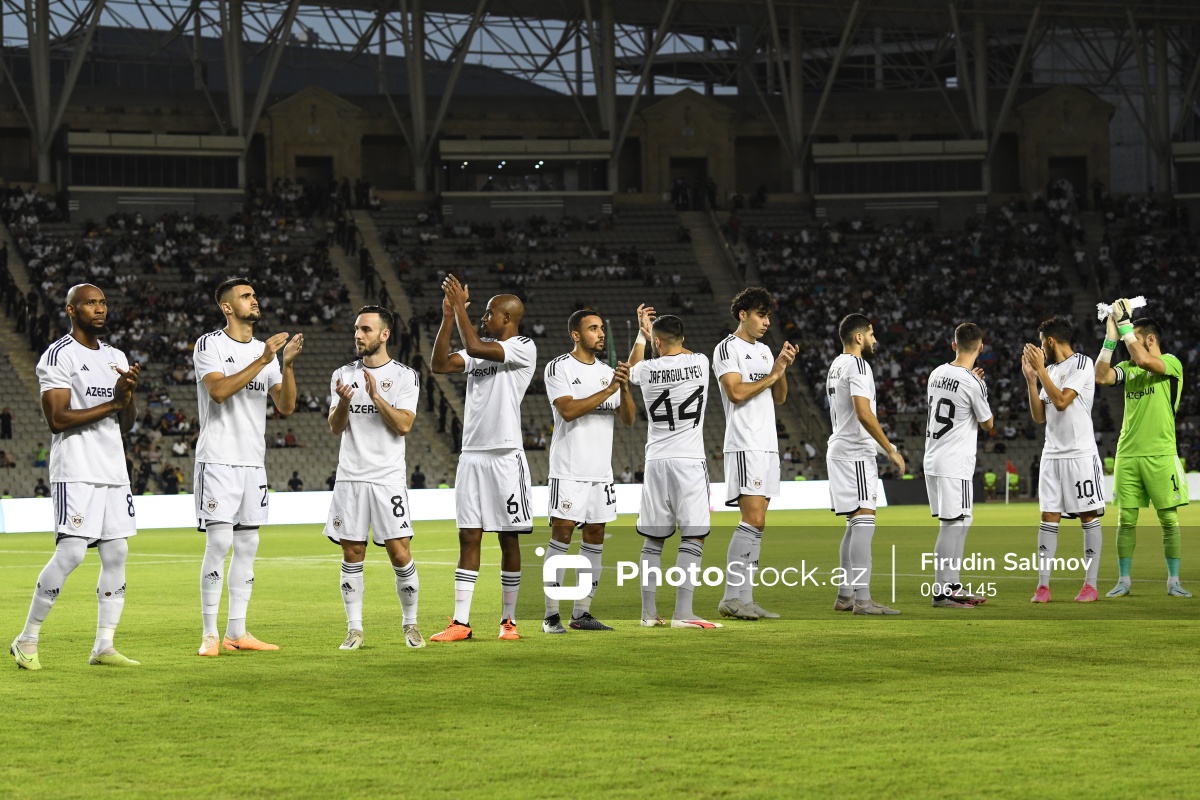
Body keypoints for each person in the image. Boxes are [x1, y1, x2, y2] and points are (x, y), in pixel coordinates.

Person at [11, 284, 141, 670]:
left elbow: (126, 423)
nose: (99, 309)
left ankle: (104, 645)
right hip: (77, 469)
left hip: (113, 470)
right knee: (70, 553)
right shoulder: (58, 355)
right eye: (90, 303)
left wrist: (127, 396)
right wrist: (114, 402)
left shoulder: (116, 355)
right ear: (71, 310)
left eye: (102, 302)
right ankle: (27, 639)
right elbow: (57, 419)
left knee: (116, 553)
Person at [192, 277, 304, 657]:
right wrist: (263, 361)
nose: (254, 300)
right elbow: (219, 392)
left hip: (252, 463)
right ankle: (209, 633)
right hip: (218, 459)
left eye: (254, 295)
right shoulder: (210, 344)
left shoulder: (265, 351)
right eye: (246, 296)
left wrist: (285, 366)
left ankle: (237, 631)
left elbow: (286, 407)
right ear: (227, 307)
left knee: (247, 545)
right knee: (220, 542)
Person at [429, 275, 536, 642]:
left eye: (489, 313)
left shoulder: (523, 347)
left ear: (508, 317)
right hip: (472, 455)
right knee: (468, 537)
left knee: (509, 539)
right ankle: (460, 622)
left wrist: (460, 307)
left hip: (506, 456)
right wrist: (447, 316)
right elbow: (440, 364)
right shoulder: (483, 347)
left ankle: (509, 621)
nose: (484, 318)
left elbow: (472, 347)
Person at [325, 305, 424, 650]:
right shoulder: (342, 373)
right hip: (350, 477)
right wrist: (342, 403)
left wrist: (376, 396)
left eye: (366, 329)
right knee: (352, 553)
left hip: (387, 479)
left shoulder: (405, 376)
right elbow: (336, 428)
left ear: (384, 335)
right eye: (356, 329)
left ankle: (410, 624)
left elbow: (404, 425)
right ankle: (355, 629)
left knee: (400, 553)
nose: (358, 335)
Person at [540, 309, 635, 634]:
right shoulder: (559, 367)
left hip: (600, 473)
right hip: (568, 470)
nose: (600, 333)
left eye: (601, 328)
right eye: (593, 328)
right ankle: (551, 615)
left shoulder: (608, 371)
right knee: (562, 537)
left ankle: (582, 613)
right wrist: (609, 390)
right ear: (576, 335)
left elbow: (629, 419)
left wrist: (622, 387)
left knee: (594, 538)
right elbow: (567, 410)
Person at [628, 306, 720, 629]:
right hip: (689, 461)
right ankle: (684, 612)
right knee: (693, 537)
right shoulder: (700, 362)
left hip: (655, 461)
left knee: (653, 541)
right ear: (682, 339)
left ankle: (648, 613)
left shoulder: (647, 370)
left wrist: (642, 333)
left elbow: (632, 367)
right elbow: (682, 350)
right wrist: (665, 339)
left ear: (656, 342)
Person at [713, 287, 797, 621]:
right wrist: (773, 374)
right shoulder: (727, 348)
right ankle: (731, 596)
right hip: (745, 442)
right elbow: (735, 393)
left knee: (759, 526)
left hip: (767, 444)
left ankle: (743, 598)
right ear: (742, 314)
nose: (766, 322)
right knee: (753, 520)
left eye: (768, 316)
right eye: (761, 315)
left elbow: (779, 398)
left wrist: (782, 367)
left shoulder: (764, 351)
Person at [1095, 302, 1190, 597]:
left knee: (1169, 520)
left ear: (1150, 339)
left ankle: (1173, 581)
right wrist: (1111, 338)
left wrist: (1125, 324)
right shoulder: (1129, 368)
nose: (1128, 345)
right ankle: (1124, 580)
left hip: (1161, 453)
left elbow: (1147, 361)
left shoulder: (1171, 364)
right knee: (1126, 521)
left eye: (1133, 337)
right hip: (1128, 454)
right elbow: (1101, 376)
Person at [825, 313, 906, 615]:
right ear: (859, 337)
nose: (875, 340)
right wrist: (889, 449)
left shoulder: (836, 365)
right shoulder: (859, 365)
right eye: (871, 334)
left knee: (853, 523)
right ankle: (863, 600)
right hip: (855, 453)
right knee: (864, 522)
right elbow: (863, 412)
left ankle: (846, 596)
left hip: (840, 449)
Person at [1022, 316, 1104, 603]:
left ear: (1050, 340)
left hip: (1080, 455)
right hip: (1052, 455)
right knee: (1048, 517)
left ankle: (1090, 585)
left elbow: (1062, 401)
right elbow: (1039, 416)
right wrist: (1032, 381)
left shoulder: (1082, 363)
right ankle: (1043, 586)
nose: (1040, 347)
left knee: (1087, 516)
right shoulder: (1051, 369)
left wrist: (1041, 371)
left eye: (1042, 341)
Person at [923, 323, 994, 609]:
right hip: (955, 462)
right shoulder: (973, 382)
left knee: (961, 521)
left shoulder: (936, 373)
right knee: (952, 525)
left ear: (954, 345)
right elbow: (988, 423)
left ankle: (952, 585)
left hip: (934, 458)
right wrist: (981, 386)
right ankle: (942, 592)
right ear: (980, 347)